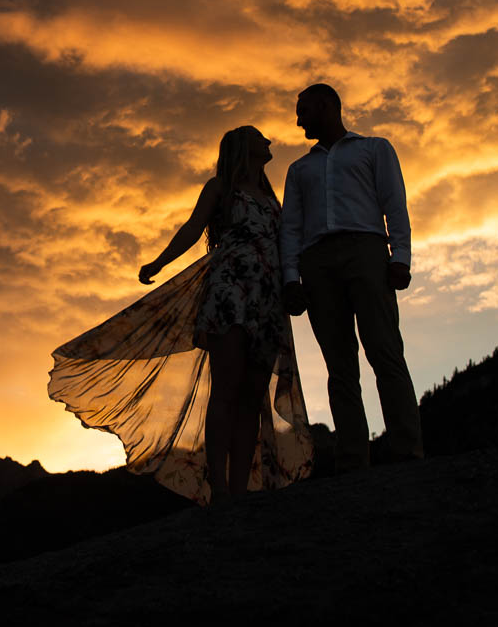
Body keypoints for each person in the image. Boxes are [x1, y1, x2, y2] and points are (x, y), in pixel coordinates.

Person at [48, 126, 314, 505]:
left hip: (267, 298)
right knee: (226, 389)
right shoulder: (220, 188)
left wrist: (295, 283)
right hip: (230, 293)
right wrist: (159, 261)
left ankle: (240, 490)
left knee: (253, 396)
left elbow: (287, 242)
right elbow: (193, 228)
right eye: (259, 136)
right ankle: (220, 489)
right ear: (242, 146)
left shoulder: (272, 197)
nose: (268, 141)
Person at [280, 83, 423, 471]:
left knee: (384, 350)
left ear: (327, 107)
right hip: (316, 262)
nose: (298, 120)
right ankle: (353, 458)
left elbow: (395, 203)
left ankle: (407, 449)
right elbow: (290, 226)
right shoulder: (299, 169)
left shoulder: (374, 149)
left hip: (367, 251)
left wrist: (401, 257)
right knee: (339, 364)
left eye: (304, 110)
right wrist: (291, 278)